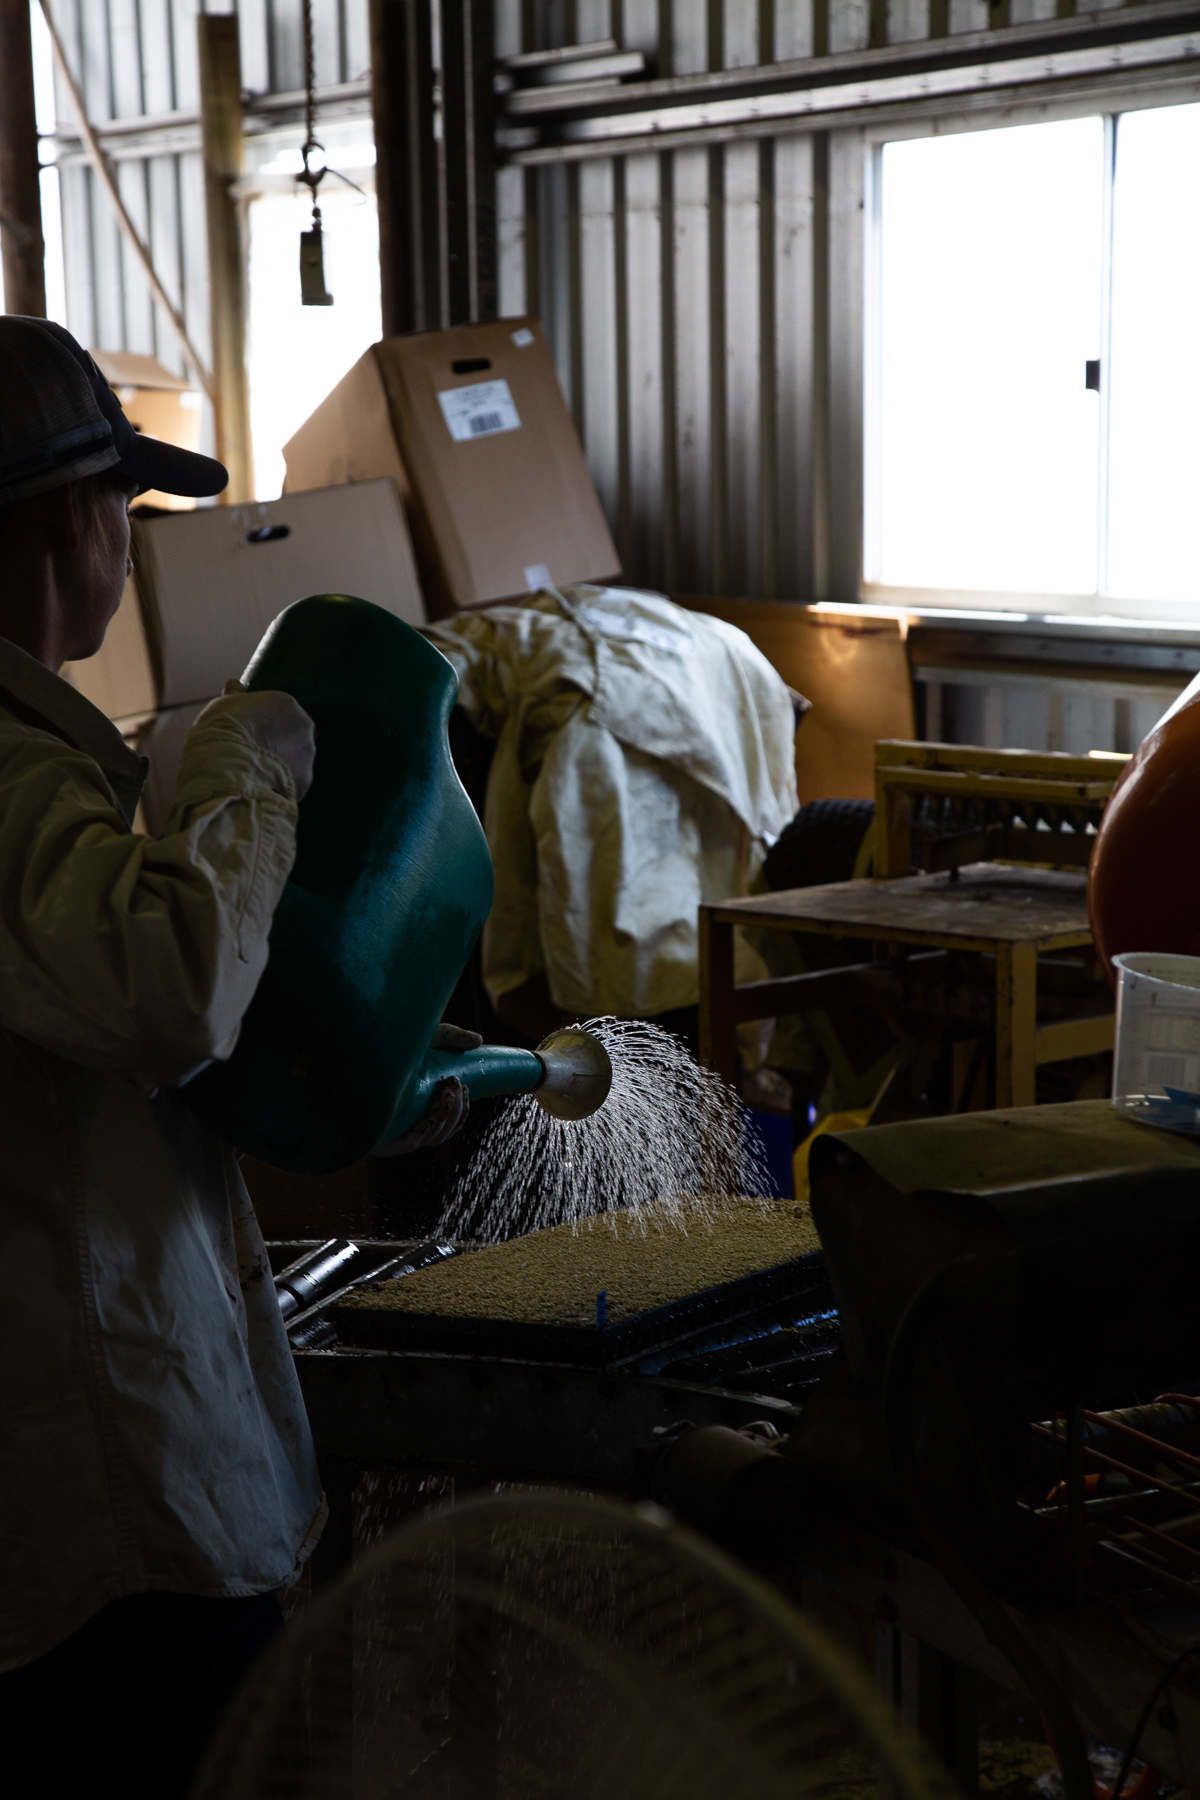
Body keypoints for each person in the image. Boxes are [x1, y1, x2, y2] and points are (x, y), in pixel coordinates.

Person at [0, 317, 466, 1796]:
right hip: (100, 1514)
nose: (126, 550)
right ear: (62, 518)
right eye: (122, 515)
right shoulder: (9, 779)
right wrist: (247, 758)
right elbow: (171, 987)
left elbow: (96, 1055)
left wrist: (356, 1059)